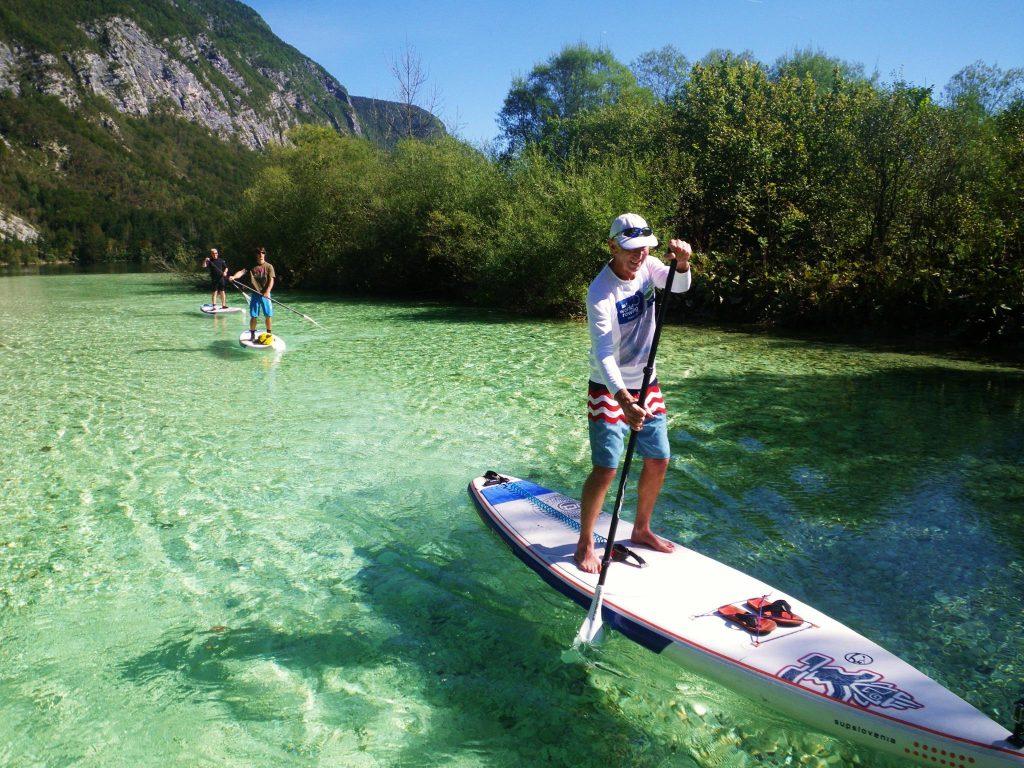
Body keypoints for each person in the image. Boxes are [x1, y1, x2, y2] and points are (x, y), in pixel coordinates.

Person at [575, 213, 693, 573]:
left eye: (644, 248)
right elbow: (603, 353)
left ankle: (641, 530)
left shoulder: (648, 265)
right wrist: (624, 401)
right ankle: (584, 544)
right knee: (607, 469)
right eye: (630, 250)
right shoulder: (600, 292)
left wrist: (684, 264)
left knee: (659, 459)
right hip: (610, 388)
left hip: (648, 382)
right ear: (612, 246)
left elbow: (678, 286)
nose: (639, 256)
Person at [230, 247, 275, 342]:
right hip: (255, 294)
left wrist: (267, 291)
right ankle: (252, 335)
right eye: (259, 253)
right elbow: (241, 272)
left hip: (265, 295)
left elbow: (271, 280)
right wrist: (234, 276)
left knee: (268, 315)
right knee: (253, 316)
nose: (261, 254)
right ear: (256, 255)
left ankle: (269, 334)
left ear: (264, 254)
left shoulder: (269, 266)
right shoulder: (251, 266)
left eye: (263, 252)